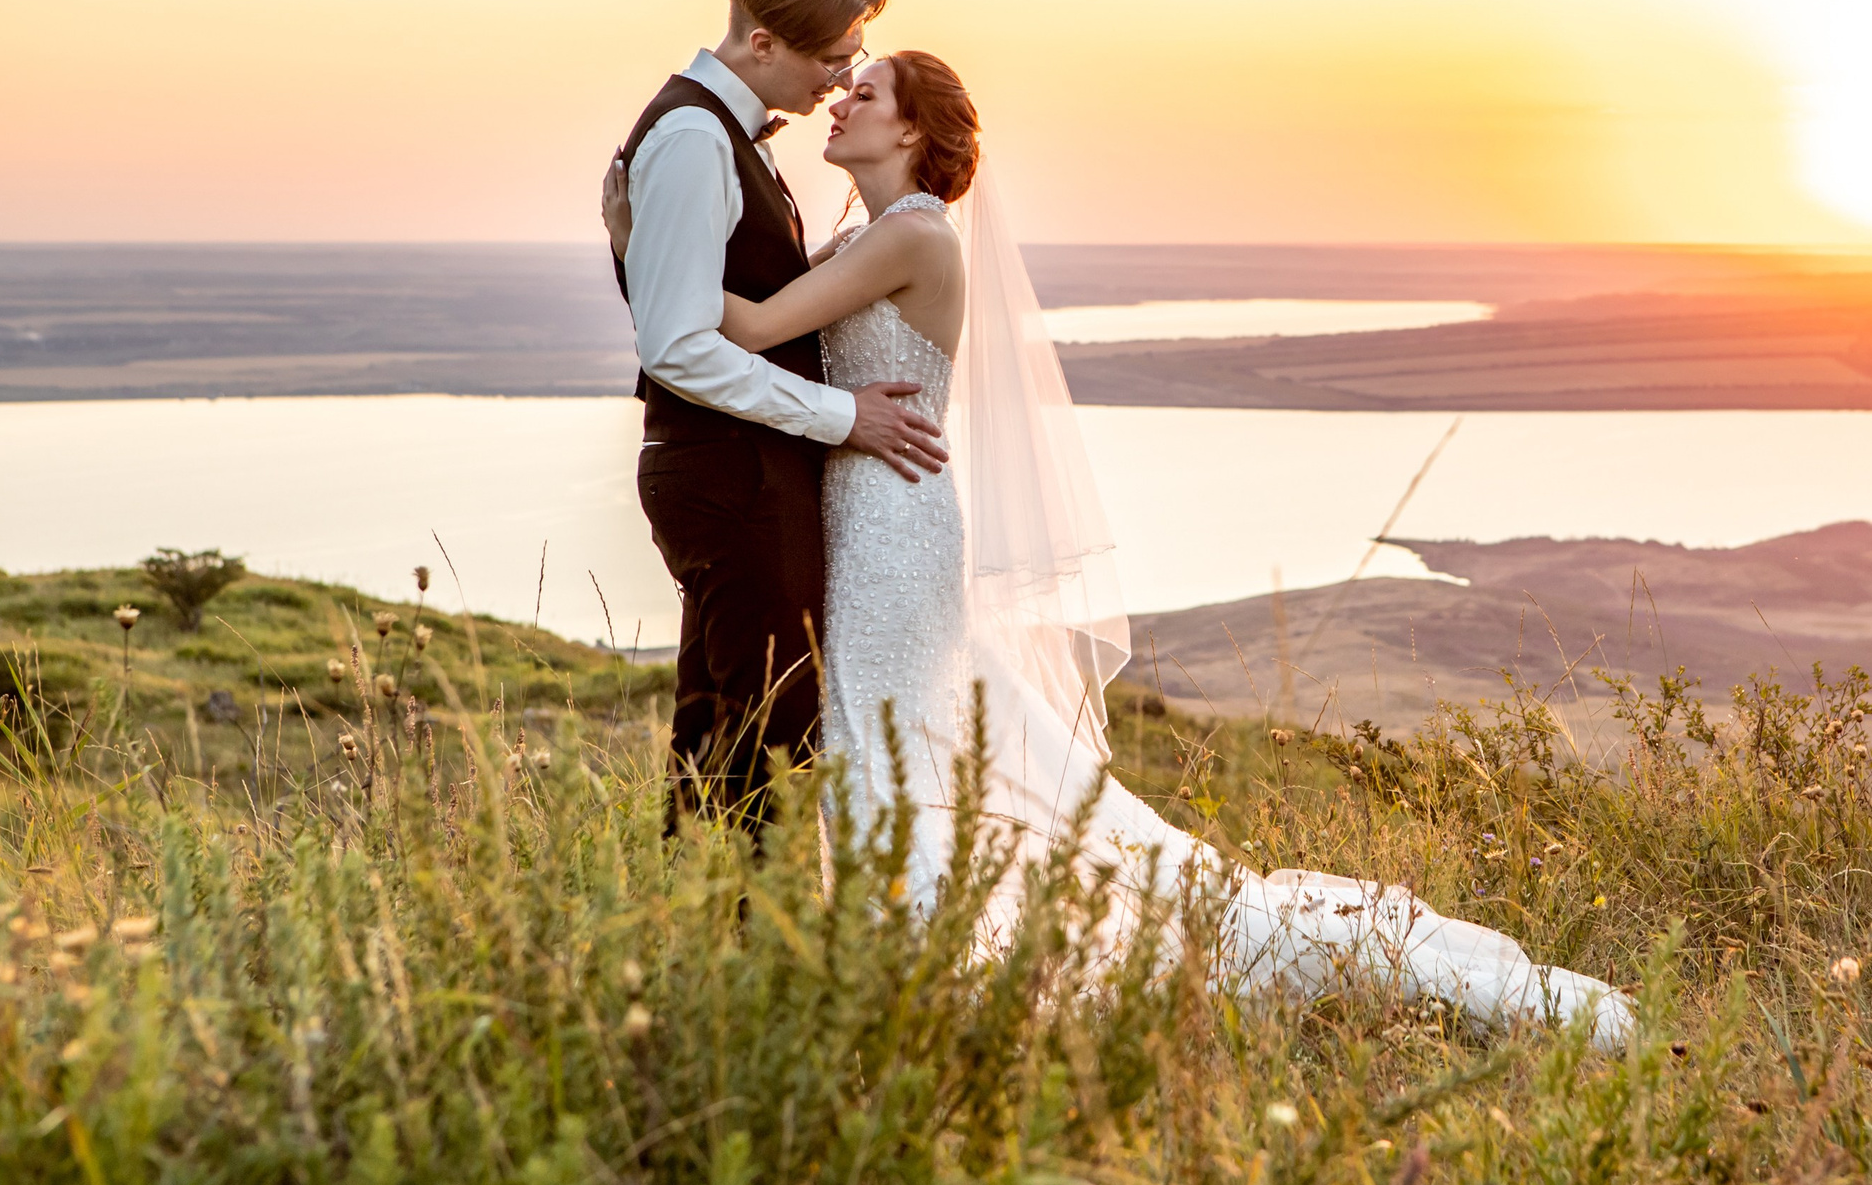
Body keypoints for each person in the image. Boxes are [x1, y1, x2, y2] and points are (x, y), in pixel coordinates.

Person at [602, 51, 1635, 1047]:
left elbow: (748, 326)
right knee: (881, 730)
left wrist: (646, 248)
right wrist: (644, 246)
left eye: (864, 92)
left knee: (881, 730)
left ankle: (907, 959)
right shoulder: (861, 237)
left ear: (911, 130)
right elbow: (778, 325)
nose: (839, 100)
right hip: (858, 506)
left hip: (892, 521)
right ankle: (873, 950)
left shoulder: (912, 238)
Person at [609, 0, 949, 833]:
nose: (839, 85)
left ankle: (701, 906)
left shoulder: (731, 139)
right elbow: (678, 346)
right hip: (732, 474)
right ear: (763, 43)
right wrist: (841, 416)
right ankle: (753, 912)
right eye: (833, 62)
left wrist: (639, 256)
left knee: (727, 731)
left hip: (748, 469)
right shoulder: (695, 137)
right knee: (772, 735)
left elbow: (736, 299)